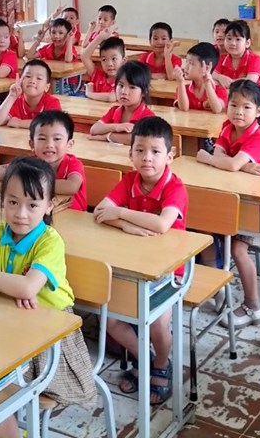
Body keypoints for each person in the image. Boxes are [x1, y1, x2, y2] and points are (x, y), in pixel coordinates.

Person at [0, 158, 96, 438]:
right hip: (8, 325)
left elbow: (26, 289)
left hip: (52, 338)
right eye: (13, 202)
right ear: (2, 201)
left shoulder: (50, 241)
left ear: (49, 206)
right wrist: (11, 286)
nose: (21, 214)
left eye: (32, 205)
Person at [95, 117, 187, 405]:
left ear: (170, 156)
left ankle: (161, 363)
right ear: (130, 153)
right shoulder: (129, 181)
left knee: (158, 323)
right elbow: (100, 211)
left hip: (169, 270)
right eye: (140, 150)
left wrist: (121, 214)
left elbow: (162, 224)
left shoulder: (175, 188)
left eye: (155, 151)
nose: (147, 158)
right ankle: (144, 358)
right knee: (110, 320)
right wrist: (127, 226)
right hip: (134, 264)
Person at [197, 80, 260, 327]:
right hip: (227, 196)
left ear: (258, 111)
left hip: (253, 205)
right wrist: (242, 166)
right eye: (234, 105)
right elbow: (223, 158)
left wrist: (209, 159)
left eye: (246, 107)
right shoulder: (227, 127)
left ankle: (253, 306)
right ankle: (217, 290)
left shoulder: (258, 136)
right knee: (205, 234)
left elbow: (227, 163)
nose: (239, 111)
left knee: (238, 249)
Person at [0, 109, 87, 212]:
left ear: (69, 145)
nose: (49, 145)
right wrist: (22, 176)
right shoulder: (30, 162)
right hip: (36, 215)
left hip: (71, 216)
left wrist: (32, 182)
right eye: (42, 139)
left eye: (57, 139)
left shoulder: (73, 163)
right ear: (32, 144)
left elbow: (71, 186)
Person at [87, 60, 154, 145]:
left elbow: (137, 139)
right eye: (121, 85)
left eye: (132, 87)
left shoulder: (148, 117)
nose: (124, 91)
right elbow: (94, 129)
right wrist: (116, 127)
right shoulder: (114, 110)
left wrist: (107, 137)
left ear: (144, 91)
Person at [0, 60, 62, 128]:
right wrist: (12, 96)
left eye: (39, 78)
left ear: (47, 87)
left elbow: (52, 124)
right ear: (21, 80)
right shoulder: (16, 101)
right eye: (28, 76)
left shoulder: (52, 102)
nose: (32, 81)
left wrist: (20, 123)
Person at [173, 42, 227, 114]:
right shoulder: (183, 88)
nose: (186, 67)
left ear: (206, 68)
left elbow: (217, 109)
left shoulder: (220, 90)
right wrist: (180, 82)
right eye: (186, 62)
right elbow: (184, 108)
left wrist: (207, 84)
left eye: (191, 63)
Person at [213, 20, 260, 87]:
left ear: (247, 43)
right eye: (229, 38)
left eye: (238, 39)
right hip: (229, 93)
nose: (232, 43)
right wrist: (220, 77)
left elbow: (250, 81)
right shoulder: (221, 58)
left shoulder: (255, 59)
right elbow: (212, 75)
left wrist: (228, 83)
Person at [81, 35, 125, 103]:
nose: (109, 64)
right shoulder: (97, 75)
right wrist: (99, 38)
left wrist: (90, 94)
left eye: (114, 59)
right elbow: (84, 57)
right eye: (104, 59)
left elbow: (111, 97)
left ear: (123, 61)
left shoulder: (124, 80)